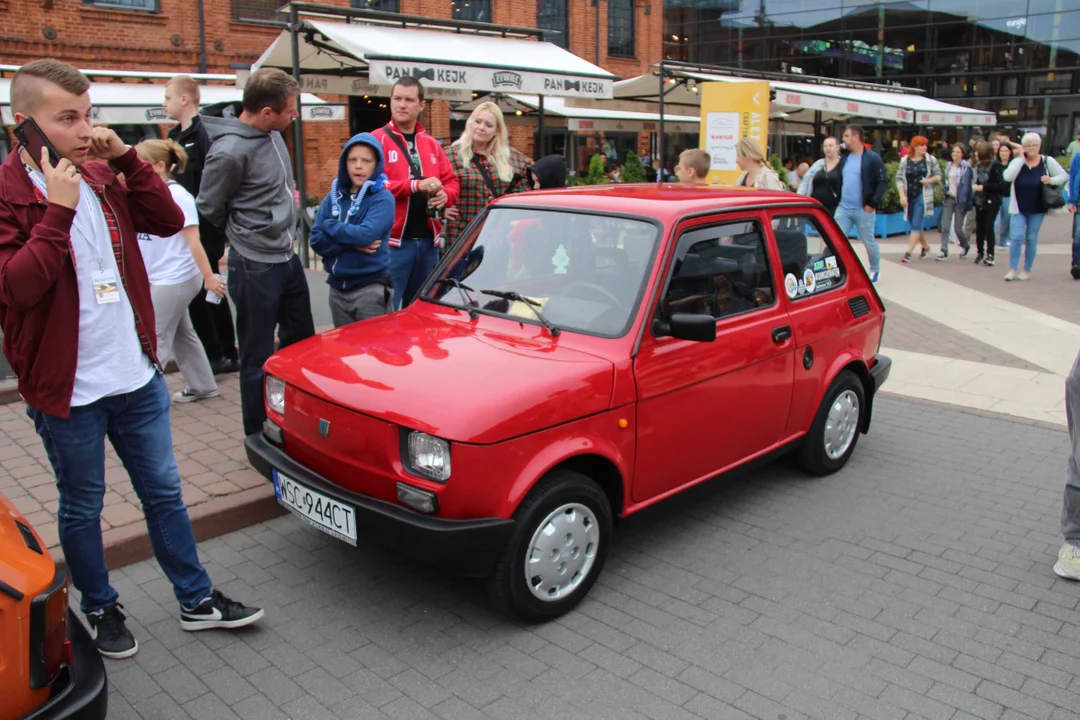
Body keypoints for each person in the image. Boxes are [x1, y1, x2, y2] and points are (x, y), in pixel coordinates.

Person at [0, 59, 262, 660]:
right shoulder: (10, 193)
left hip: (137, 373)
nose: (85, 129)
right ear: (24, 125)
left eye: (88, 114)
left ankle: (195, 601)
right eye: (67, 118)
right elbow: (16, 289)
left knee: (164, 495)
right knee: (83, 506)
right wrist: (57, 213)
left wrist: (124, 159)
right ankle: (100, 607)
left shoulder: (100, 172)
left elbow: (169, 220)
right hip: (68, 388)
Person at [197, 67, 315, 437]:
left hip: (287, 258)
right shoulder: (228, 152)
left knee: (303, 345)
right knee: (256, 355)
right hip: (254, 264)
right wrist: (248, 230)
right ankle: (257, 430)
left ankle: (298, 421)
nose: (294, 115)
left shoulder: (273, 133)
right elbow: (209, 206)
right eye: (290, 110)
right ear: (267, 113)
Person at [134, 139, 226, 401]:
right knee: (182, 334)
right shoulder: (152, 193)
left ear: (160, 166)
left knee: (154, 337)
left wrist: (209, 277)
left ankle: (144, 399)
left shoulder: (178, 197)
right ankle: (203, 386)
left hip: (174, 278)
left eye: (141, 165)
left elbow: (194, 241)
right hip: (165, 277)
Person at [164, 74, 239, 375]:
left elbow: (215, 183)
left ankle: (223, 352)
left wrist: (218, 229)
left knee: (207, 286)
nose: (164, 103)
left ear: (184, 99)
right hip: (179, 226)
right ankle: (216, 352)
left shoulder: (206, 132)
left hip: (204, 226)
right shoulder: (172, 136)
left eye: (168, 96)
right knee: (200, 290)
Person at [372, 77, 459, 310]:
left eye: (409, 100)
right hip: (392, 244)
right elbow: (370, 185)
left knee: (421, 312)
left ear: (421, 105)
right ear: (390, 102)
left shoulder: (431, 144)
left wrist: (446, 196)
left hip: (429, 243)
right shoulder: (375, 140)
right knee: (387, 314)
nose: (402, 104)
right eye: (397, 98)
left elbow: (451, 181)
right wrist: (413, 186)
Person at [309, 133, 395, 327]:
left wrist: (330, 226)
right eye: (352, 160)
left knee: (373, 350)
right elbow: (315, 240)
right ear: (344, 163)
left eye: (366, 161)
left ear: (376, 165)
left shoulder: (382, 198)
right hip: (337, 288)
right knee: (345, 352)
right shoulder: (333, 197)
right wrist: (352, 243)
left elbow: (365, 235)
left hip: (370, 287)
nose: (358, 166)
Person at [444, 102, 530, 247]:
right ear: (471, 122)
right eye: (478, 121)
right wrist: (441, 208)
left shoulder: (508, 156)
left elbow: (533, 172)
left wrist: (512, 202)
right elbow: (430, 182)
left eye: (488, 125)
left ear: (497, 131)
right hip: (461, 235)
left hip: (497, 236)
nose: (481, 128)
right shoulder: (451, 154)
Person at [1002, 132, 1068, 281]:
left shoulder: (1047, 161)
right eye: (1027, 146)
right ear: (1023, 147)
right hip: (1018, 207)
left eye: (1034, 145)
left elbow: (1063, 176)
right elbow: (1007, 177)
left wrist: (1051, 179)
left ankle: (1026, 269)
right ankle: (1013, 268)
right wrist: (1021, 160)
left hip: (1038, 207)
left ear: (1039, 147)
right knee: (1016, 237)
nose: (1031, 148)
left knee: (1031, 238)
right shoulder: (1018, 162)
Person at [834, 124, 887, 283]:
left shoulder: (872, 158)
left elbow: (882, 182)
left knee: (868, 241)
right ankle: (839, 270)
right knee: (836, 240)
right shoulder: (844, 159)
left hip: (864, 209)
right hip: (844, 208)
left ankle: (875, 269)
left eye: (846, 136)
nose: (844, 140)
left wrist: (872, 203)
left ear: (856, 137)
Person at [896, 136, 941, 263]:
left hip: (922, 194)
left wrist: (928, 180)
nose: (925, 148)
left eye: (926, 145)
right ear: (915, 146)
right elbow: (899, 178)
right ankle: (926, 247)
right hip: (909, 194)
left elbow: (938, 175)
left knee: (916, 223)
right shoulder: (905, 160)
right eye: (922, 145)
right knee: (914, 224)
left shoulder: (930, 160)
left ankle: (908, 253)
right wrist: (902, 195)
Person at [937, 143, 974, 260]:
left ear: (962, 154)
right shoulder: (948, 165)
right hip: (949, 198)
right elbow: (947, 182)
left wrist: (963, 202)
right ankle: (944, 250)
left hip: (960, 201)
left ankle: (965, 245)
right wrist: (944, 193)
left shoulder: (965, 167)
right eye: (954, 152)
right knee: (945, 226)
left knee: (958, 228)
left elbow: (967, 186)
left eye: (958, 152)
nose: (955, 154)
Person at [971, 140, 1004, 266]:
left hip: (992, 199)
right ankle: (980, 252)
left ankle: (991, 254)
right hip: (979, 199)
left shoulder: (996, 166)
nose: (976, 155)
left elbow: (1000, 185)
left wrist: (984, 187)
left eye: (978, 152)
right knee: (979, 226)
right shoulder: (977, 166)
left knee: (988, 226)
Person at [797, 136, 844, 216]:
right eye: (825, 146)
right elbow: (806, 181)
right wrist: (798, 199)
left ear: (837, 147)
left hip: (837, 209)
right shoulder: (818, 164)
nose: (827, 148)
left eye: (830, 145)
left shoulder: (843, 165)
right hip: (816, 207)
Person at [995, 141, 1017, 249]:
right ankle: (992, 240)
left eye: (1006, 151)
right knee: (994, 221)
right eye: (1001, 151)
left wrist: (1009, 142)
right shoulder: (995, 165)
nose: (1003, 153)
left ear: (1010, 152)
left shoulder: (1013, 165)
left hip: (1008, 196)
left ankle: (1003, 241)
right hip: (996, 195)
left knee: (1006, 221)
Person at [1069, 149, 1080, 279]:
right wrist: (1071, 200)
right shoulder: (1078, 156)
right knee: (1078, 234)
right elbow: (1072, 176)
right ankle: (1077, 264)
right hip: (1079, 201)